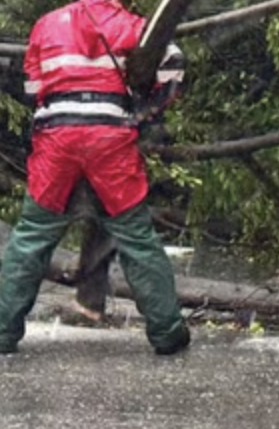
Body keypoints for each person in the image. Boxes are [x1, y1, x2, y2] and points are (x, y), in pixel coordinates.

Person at [0, 0, 190, 356]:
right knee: (136, 236)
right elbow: (173, 62)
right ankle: (168, 334)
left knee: (31, 236)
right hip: (109, 139)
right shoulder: (133, 26)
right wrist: (148, 109)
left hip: (56, 136)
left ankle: (4, 335)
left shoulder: (46, 24)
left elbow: (32, 88)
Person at [62, 37, 186, 325]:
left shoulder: (131, 29)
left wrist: (147, 112)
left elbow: (175, 60)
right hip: (100, 133)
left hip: (122, 134)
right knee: (107, 215)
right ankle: (94, 301)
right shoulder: (86, 32)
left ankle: (153, 313)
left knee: (123, 221)